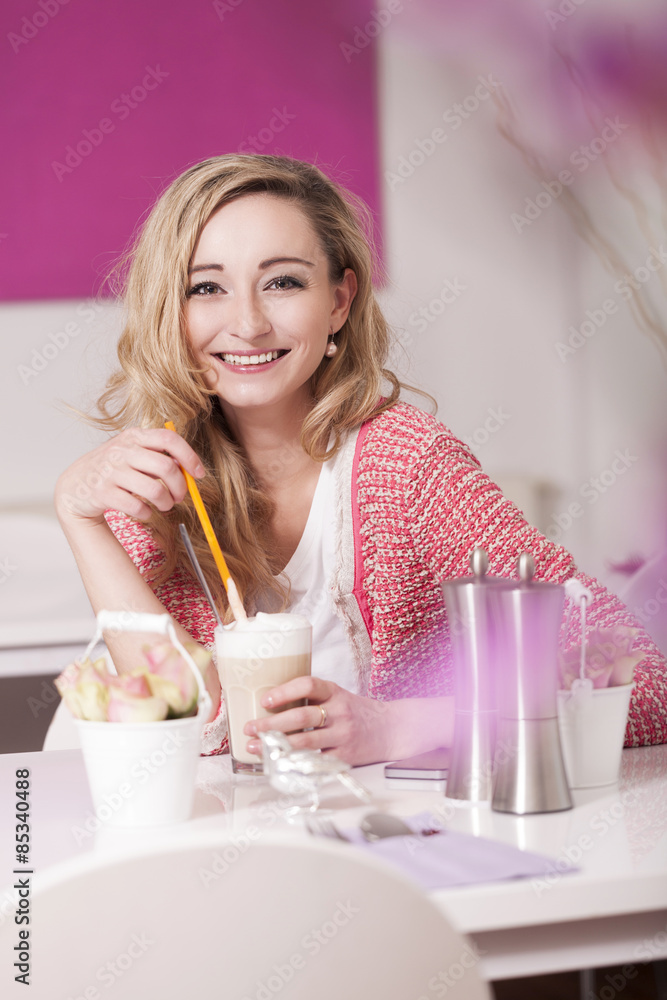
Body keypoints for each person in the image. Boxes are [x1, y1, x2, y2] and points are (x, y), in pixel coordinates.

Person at [55, 153, 667, 764]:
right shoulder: (156, 483)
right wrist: (78, 517)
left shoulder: (408, 465)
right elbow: (180, 715)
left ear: (339, 302)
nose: (246, 323)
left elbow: (640, 681)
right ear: (174, 310)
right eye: (206, 287)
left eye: (283, 282)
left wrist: (404, 724)